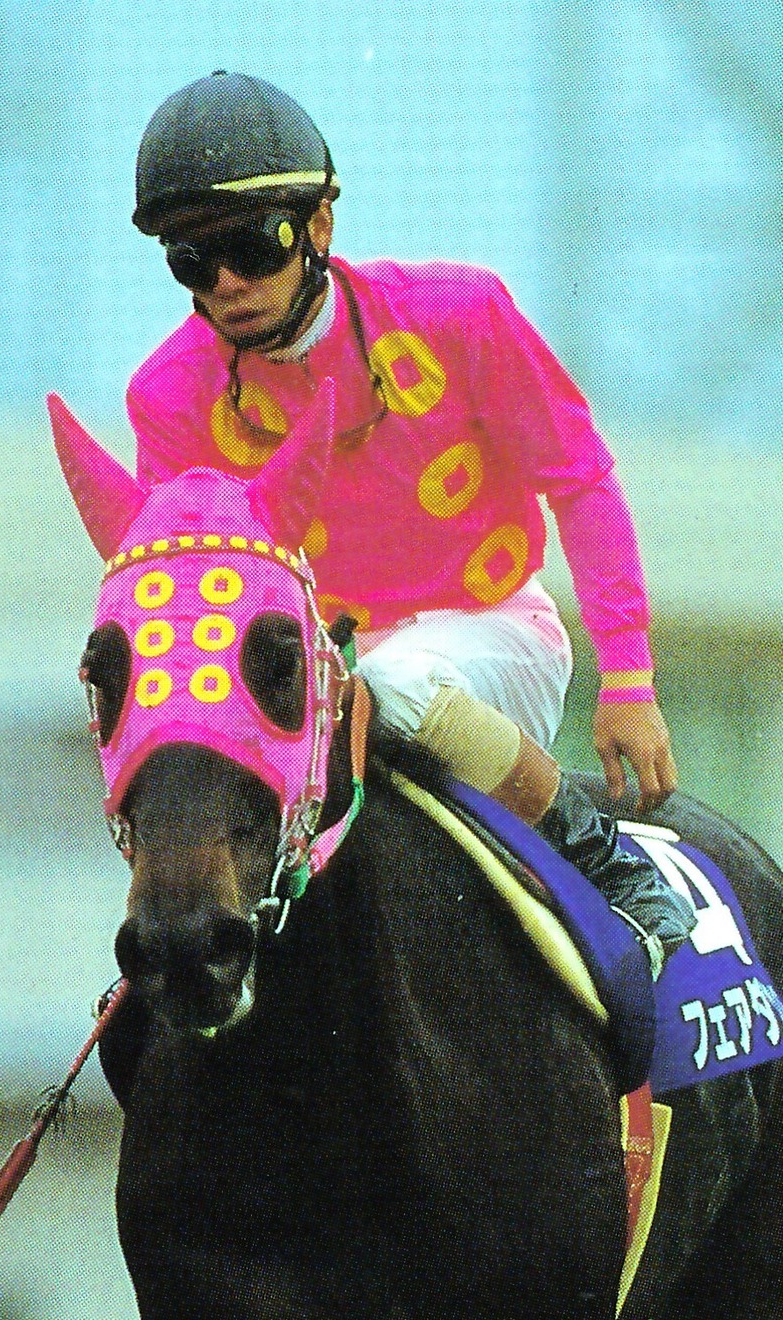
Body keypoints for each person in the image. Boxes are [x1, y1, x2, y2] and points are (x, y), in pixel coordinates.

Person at [125, 71, 696, 976]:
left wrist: (627, 676)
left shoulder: (462, 314)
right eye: (193, 261)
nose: (228, 284)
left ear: (318, 226)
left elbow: (582, 481)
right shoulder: (167, 396)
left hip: (492, 634)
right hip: (316, 679)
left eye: (252, 245)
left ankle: (601, 859)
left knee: (388, 686)